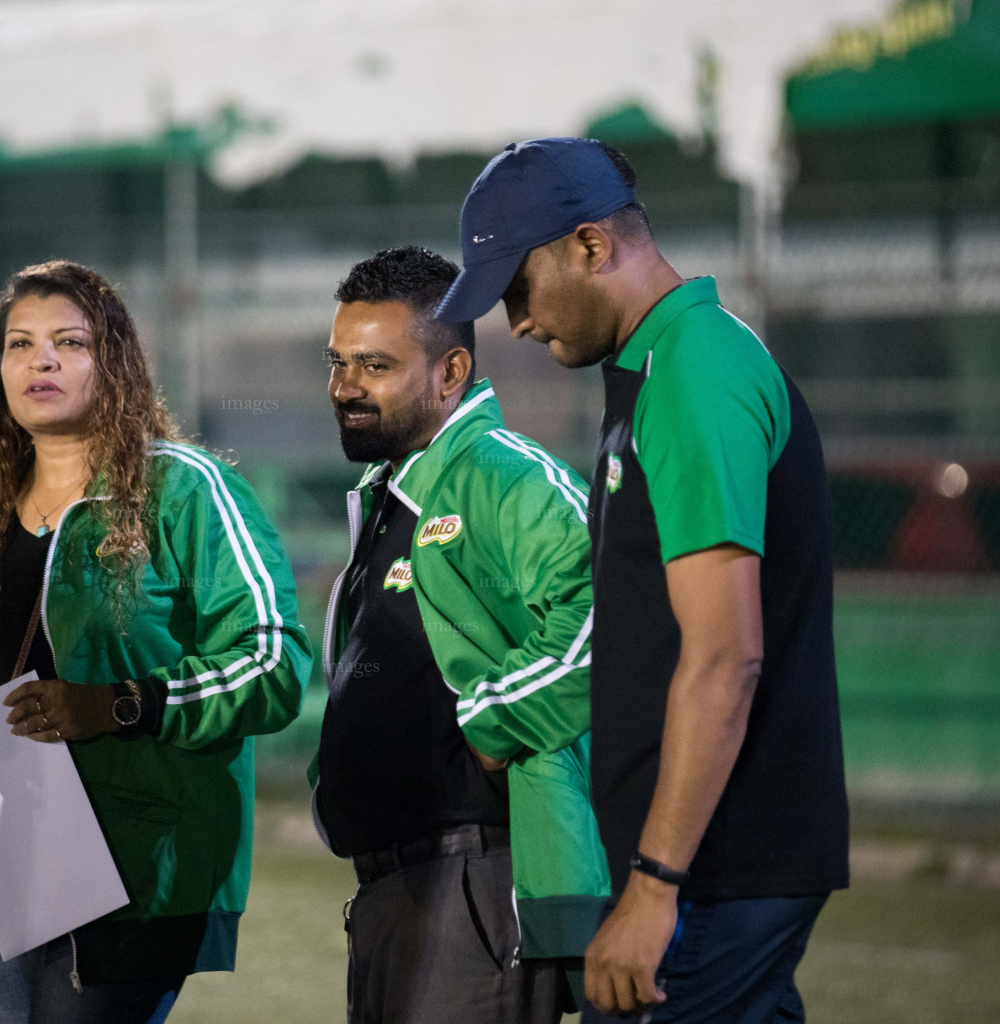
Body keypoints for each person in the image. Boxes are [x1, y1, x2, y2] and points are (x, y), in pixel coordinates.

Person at [435, 138, 850, 1022]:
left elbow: (724, 657)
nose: (515, 323)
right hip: (704, 863)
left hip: (713, 870)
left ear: (590, 246)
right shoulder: (657, 368)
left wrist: (656, 886)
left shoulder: (695, 371)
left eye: (519, 288)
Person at [0, 259, 313, 1024]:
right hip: (8, 847)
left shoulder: (187, 489)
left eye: (70, 342)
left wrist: (120, 705)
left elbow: (274, 662)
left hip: (141, 860)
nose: (43, 360)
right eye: (20, 345)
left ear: (116, 362)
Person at [311, 246, 608, 1024]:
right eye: (337, 361)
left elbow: (606, 622)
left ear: (450, 374)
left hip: (477, 878)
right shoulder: (394, 488)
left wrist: (490, 723)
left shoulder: (505, 476)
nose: (344, 387)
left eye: (374, 365)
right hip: (391, 885)